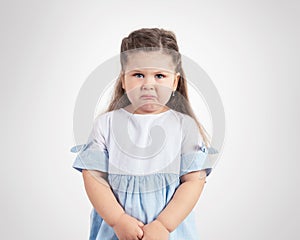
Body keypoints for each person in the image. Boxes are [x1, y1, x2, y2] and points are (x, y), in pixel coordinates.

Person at [70, 28, 215, 240]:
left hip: (169, 233)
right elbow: (93, 178)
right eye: (138, 75)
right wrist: (118, 220)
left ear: (174, 81)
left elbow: (193, 181)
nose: (148, 84)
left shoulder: (185, 127)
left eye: (159, 76)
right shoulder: (106, 124)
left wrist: (164, 226)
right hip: (117, 233)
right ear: (123, 79)